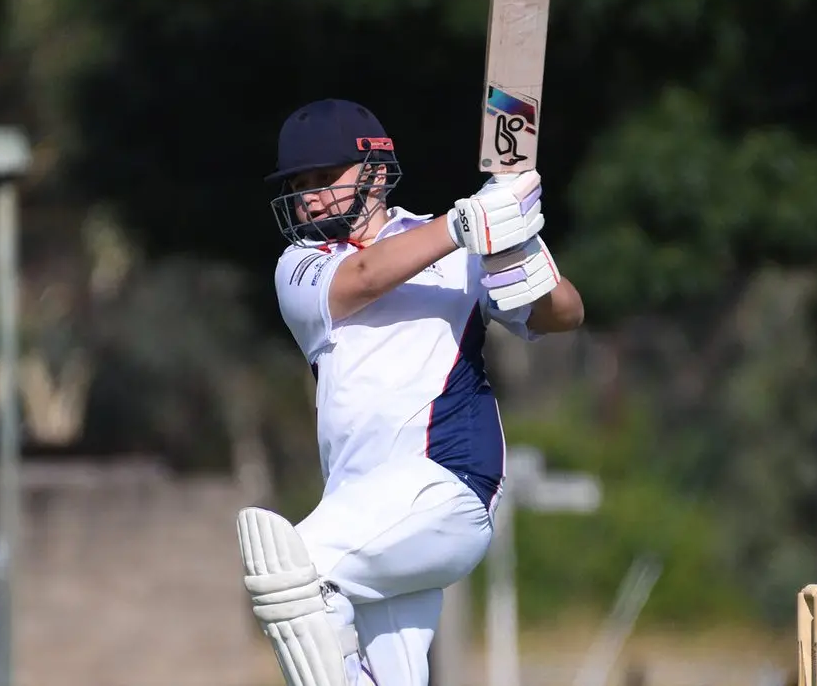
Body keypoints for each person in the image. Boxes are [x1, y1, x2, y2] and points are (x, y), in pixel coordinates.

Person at [236, 99, 584, 686]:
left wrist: (519, 246)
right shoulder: (300, 267)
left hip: (447, 484)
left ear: (374, 171)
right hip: (365, 509)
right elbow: (367, 278)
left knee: (298, 565)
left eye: (326, 178)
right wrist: (461, 225)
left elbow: (564, 314)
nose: (313, 196)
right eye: (301, 185)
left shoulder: (462, 253)